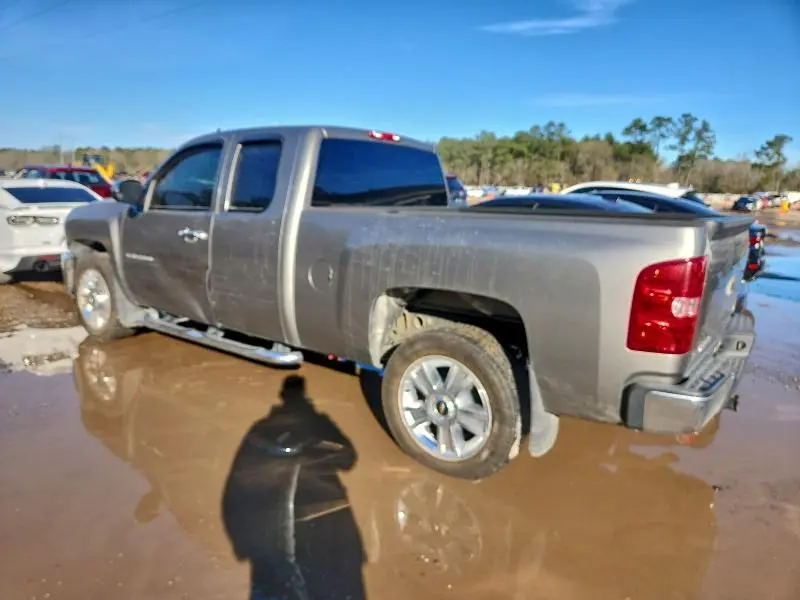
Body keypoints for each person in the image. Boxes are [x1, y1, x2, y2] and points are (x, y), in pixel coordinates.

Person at [222, 375, 365, 600]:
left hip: (290, 536)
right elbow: (348, 459)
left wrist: (241, 543)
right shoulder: (317, 424)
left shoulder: (260, 430)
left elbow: (236, 485)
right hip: (315, 530)